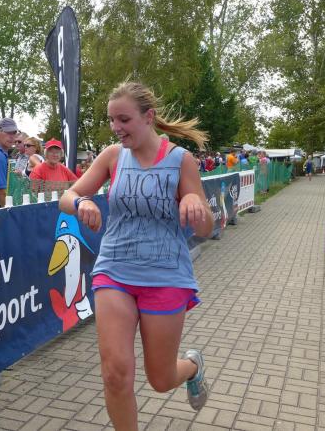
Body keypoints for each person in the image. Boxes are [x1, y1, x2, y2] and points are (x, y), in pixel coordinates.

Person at [60, 81, 213, 430]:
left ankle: (192, 366)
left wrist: (194, 201)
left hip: (165, 275)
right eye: (112, 120)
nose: (116, 127)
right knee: (115, 374)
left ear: (149, 117)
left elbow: (205, 228)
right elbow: (66, 197)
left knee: (160, 379)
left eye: (124, 119)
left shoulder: (180, 160)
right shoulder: (113, 156)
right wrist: (81, 203)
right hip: (114, 270)